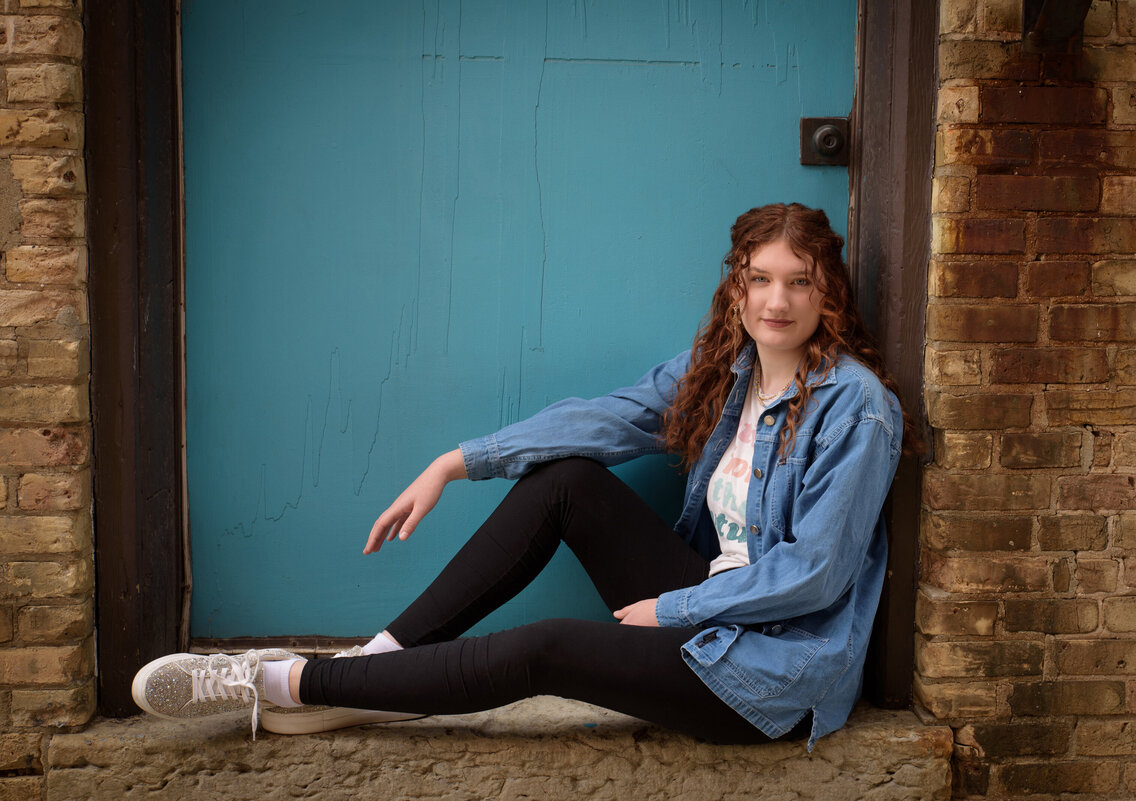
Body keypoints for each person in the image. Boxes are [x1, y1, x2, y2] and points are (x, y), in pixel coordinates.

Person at [132, 202, 912, 749]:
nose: (777, 300)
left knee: (546, 647)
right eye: (760, 277)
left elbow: (815, 572)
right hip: (708, 603)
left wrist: (680, 605)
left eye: (799, 281)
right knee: (565, 479)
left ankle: (282, 682)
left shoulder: (858, 408)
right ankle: (375, 669)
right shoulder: (724, 370)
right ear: (735, 284)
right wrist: (457, 462)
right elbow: (606, 418)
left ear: (827, 292)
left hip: (768, 670)